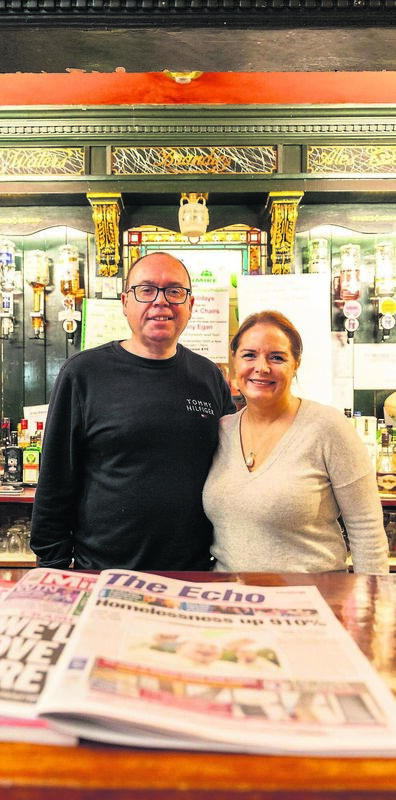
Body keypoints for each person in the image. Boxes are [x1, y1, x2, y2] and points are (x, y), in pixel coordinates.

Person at [30, 252, 235, 571]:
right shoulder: (83, 373)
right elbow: (55, 478)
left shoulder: (210, 377)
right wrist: (53, 566)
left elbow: (230, 472)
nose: (161, 301)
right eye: (146, 289)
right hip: (102, 572)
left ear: (190, 305)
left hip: (195, 574)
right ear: (125, 302)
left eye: (174, 291)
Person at [203, 310, 389, 574]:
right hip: (234, 602)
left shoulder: (328, 427)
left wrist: (372, 604)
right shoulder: (223, 431)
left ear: (296, 363)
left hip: (313, 602)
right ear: (234, 361)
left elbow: (366, 526)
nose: (262, 367)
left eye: (277, 357)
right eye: (249, 355)